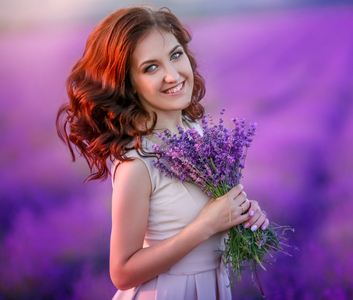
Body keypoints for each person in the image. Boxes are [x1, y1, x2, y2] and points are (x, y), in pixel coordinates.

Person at [56, 5, 269, 300]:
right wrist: (206, 225)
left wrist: (241, 213)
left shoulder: (199, 132)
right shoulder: (137, 161)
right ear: (128, 84)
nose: (172, 75)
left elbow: (209, 210)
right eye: (151, 67)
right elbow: (122, 271)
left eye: (175, 54)